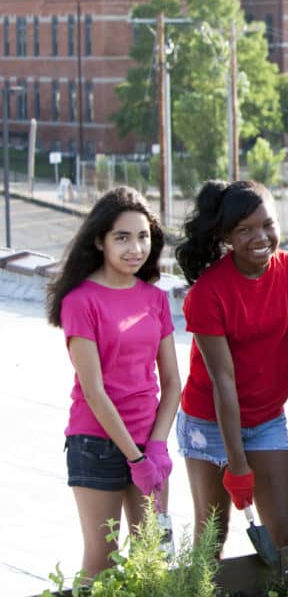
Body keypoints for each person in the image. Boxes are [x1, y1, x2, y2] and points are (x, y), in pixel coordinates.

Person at [174, 180, 288, 553]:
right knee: (211, 539)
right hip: (209, 422)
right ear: (226, 237)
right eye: (245, 229)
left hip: (266, 420)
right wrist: (236, 465)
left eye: (268, 224)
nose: (261, 236)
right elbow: (223, 381)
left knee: (285, 532)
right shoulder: (207, 294)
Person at [46, 187, 181, 577]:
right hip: (96, 445)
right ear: (99, 240)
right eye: (122, 237)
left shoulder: (154, 299)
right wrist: (134, 457)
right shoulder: (81, 301)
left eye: (143, 236)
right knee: (102, 564)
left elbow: (172, 383)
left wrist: (155, 446)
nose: (135, 248)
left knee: (152, 560)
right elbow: (94, 390)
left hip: (148, 444)